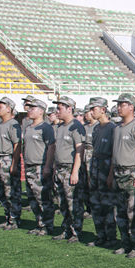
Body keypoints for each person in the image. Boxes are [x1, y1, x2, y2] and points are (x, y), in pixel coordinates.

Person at [108, 93, 135, 258]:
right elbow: (114, 153)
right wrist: (111, 174)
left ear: (131, 107)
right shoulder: (117, 128)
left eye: (122, 104)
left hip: (131, 172)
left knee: (133, 213)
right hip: (118, 172)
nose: (119, 107)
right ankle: (125, 243)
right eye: (118, 105)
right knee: (120, 212)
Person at [51, 96, 85, 243]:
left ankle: (76, 232)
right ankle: (66, 229)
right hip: (59, 168)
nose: (57, 111)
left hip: (70, 168)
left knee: (73, 203)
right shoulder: (60, 127)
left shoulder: (76, 126)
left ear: (69, 109)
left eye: (59, 108)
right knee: (62, 202)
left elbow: (80, 150)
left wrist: (75, 171)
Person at [86, 97, 118, 248]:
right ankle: (100, 235)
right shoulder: (96, 128)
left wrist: (111, 174)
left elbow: (114, 154)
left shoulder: (112, 129)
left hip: (106, 166)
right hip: (95, 166)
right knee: (95, 203)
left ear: (103, 110)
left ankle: (111, 237)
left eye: (94, 109)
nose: (91, 112)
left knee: (107, 204)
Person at [22, 99, 56, 236]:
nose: (29, 110)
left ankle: (48, 226)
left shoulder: (46, 128)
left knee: (43, 198)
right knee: (33, 199)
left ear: (41, 111)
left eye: (33, 108)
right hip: (29, 166)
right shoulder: (28, 127)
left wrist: (47, 166)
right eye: (29, 108)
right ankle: (40, 224)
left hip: (39, 167)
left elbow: (51, 147)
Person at [0, 97, 22, 230]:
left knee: (11, 191)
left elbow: (17, 144)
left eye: (1, 107)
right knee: (2, 191)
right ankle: (8, 218)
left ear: (9, 109)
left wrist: (14, 164)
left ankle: (14, 219)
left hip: (8, 158)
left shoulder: (13, 124)